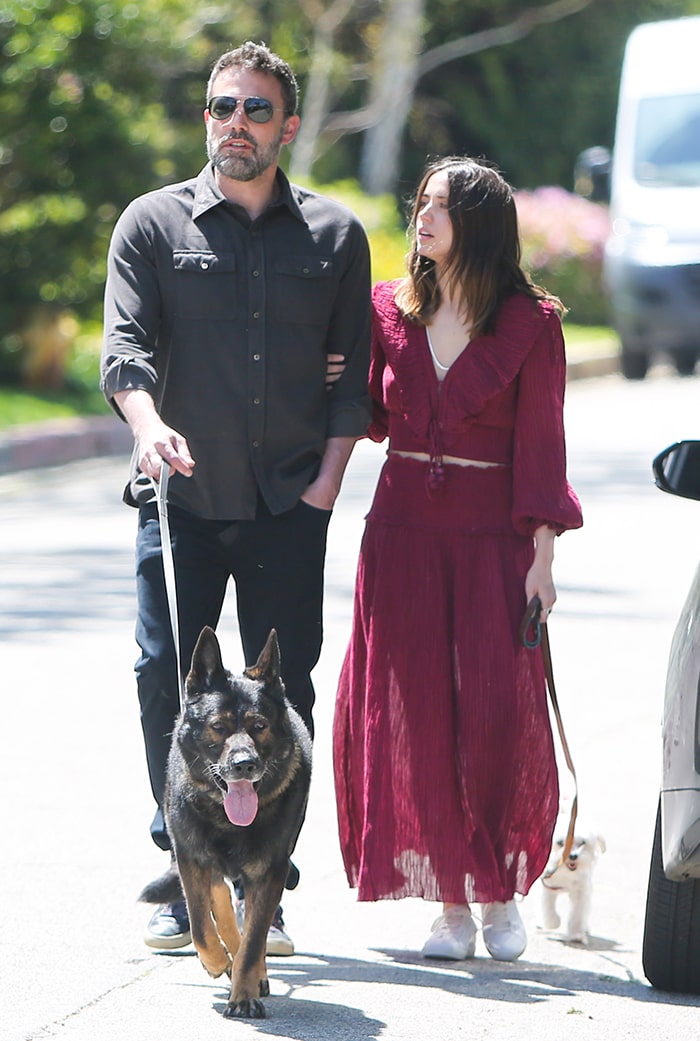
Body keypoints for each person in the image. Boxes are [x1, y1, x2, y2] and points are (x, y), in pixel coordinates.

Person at [101, 41, 371, 954]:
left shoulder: (335, 237)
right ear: (205, 116)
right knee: (163, 681)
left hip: (290, 503)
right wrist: (146, 425)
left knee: (281, 696)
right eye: (222, 107)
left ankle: (268, 886)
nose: (236, 125)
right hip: (179, 500)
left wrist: (327, 486)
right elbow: (124, 351)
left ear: (287, 126)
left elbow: (352, 383)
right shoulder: (150, 223)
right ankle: (189, 868)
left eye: (256, 111)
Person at [332, 156, 582, 962]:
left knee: (494, 718)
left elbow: (543, 448)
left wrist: (541, 559)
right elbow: (370, 411)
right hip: (401, 536)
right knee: (418, 720)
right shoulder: (389, 310)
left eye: (439, 206)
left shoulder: (532, 323)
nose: (422, 217)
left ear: (478, 222)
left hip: (493, 542)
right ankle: (449, 906)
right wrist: (335, 376)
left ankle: (501, 892)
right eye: (420, 203)